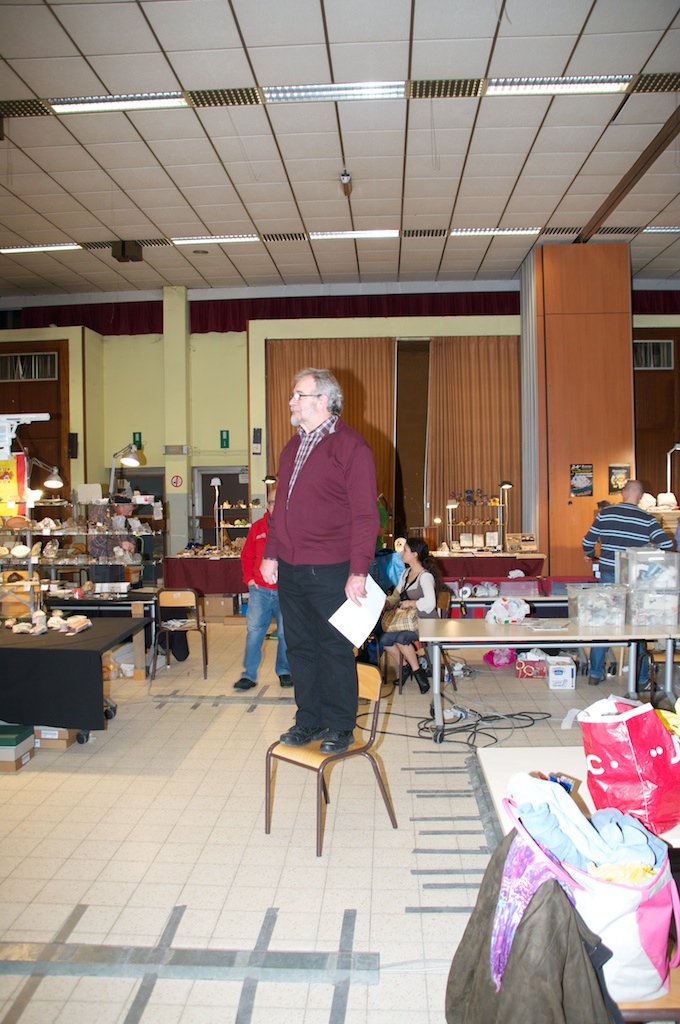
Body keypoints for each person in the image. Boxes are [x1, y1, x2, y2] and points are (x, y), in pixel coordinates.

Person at [261, 367, 378, 754]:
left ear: (323, 400)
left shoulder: (351, 447)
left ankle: (341, 726)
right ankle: (309, 720)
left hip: (332, 568)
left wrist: (358, 570)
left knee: (334, 648)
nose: (291, 402)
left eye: (299, 395)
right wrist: (271, 552)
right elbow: (279, 510)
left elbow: (366, 516)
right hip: (291, 568)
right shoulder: (291, 447)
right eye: (293, 395)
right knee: (299, 647)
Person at [582, 479, 673, 685]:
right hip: (635, 578)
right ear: (640, 496)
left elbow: (587, 541)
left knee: (603, 622)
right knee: (636, 626)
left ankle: (595, 673)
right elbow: (667, 544)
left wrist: (591, 554)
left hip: (608, 574)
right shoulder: (647, 518)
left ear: (623, 492)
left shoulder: (605, 514)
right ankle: (641, 677)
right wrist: (648, 552)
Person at [234, 489, 291, 691]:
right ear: (267, 505)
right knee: (255, 633)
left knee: (285, 633)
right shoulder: (257, 527)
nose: (276, 505)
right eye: (272, 502)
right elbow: (247, 556)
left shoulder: (291, 527)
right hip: (260, 591)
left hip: (285, 591)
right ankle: (249, 676)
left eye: (279, 501)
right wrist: (249, 579)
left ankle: (284, 671)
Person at [381, 536, 442, 693]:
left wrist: (411, 603)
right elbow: (396, 595)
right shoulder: (406, 573)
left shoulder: (425, 576)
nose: (401, 553)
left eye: (405, 550)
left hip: (425, 621)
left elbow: (430, 603)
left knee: (401, 638)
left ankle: (418, 673)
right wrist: (384, 603)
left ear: (414, 555)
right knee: (385, 640)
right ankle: (406, 667)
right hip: (409, 620)